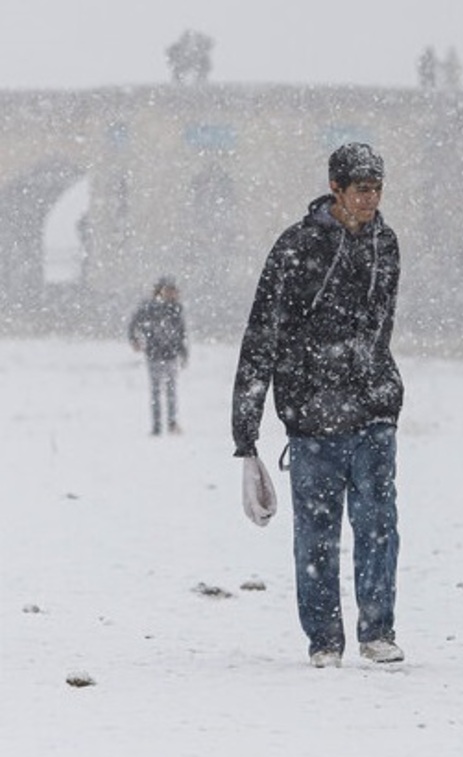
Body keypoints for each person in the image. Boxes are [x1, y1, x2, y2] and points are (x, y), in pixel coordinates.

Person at [231, 143, 406, 669]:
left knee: (379, 527)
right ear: (336, 188)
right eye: (360, 190)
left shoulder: (386, 245)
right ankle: (324, 640)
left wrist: (378, 384)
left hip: (373, 410)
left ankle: (378, 630)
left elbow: (380, 324)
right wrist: (246, 430)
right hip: (312, 417)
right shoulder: (296, 247)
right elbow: (261, 334)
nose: (370, 200)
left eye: (377, 189)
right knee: (317, 536)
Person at [128, 276, 188, 436]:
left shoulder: (176, 309)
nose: (173, 294)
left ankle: (171, 424)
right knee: (158, 392)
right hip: (155, 355)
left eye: (174, 291)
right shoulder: (149, 308)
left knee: (170, 392)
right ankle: (158, 426)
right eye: (169, 290)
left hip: (170, 355)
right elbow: (134, 324)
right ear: (161, 291)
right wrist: (134, 339)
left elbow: (181, 333)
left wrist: (183, 353)